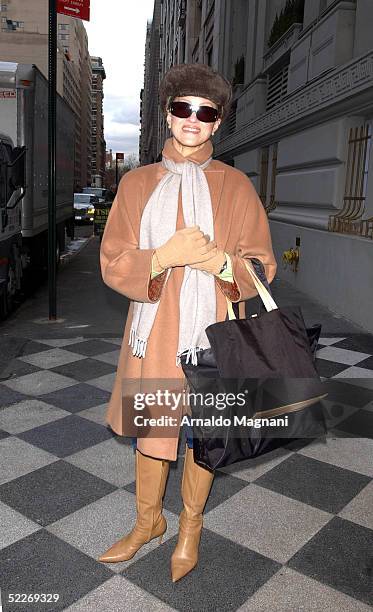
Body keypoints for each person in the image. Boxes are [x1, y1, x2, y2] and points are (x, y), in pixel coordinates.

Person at [98, 63, 277, 582]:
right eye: (183, 108)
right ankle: (147, 522)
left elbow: (262, 265)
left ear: (218, 123)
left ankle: (189, 528)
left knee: (203, 436)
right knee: (151, 433)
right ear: (168, 114)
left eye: (206, 111)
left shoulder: (236, 186)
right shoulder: (136, 184)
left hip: (213, 338)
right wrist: (162, 257)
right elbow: (113, 261)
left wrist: (220, 264)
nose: (193, 119)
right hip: (152, 337)